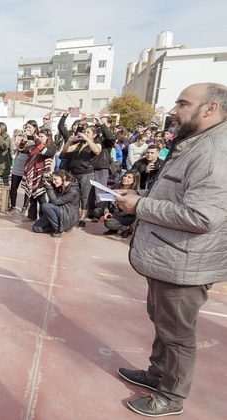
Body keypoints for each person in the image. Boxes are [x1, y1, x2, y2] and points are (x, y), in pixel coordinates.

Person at [114, 83, 227, 418]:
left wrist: (141, 206)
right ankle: (157, 374)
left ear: (210, 108)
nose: (173, 110)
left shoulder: (215, 154)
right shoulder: (198, 143)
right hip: (168, 257)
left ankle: (171, 396)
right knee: (162, 322)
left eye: (183, 103)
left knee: (177, 334)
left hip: (184, 264)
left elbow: (201, 216)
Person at [59, 122, 102, 227]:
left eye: (88, 132)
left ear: (94, 135)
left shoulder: (97, 144)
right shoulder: (79, 144)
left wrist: (87, 139)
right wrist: (69, 141)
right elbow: (65, 150)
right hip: (74, 173)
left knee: (84, 196)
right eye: (85, 132)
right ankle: (74, 215)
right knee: (73, 194)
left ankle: (82, 217)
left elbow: (96, 151)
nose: (85, 133)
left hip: (86, 174)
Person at [21, 127, 56, 220]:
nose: (40, 138)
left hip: (44, 174)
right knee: (32, 195)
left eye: (42, 136)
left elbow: (46, 153)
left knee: (41, 197)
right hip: (33, 173)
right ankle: (31, 216)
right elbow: (22, 150)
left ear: (48, 137)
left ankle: (43, 217)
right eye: (39, 136)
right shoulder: (34, 146)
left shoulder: (52, 147)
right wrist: (24, 141)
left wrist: (36, 140)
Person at [31, 170, 80, 237]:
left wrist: (49, 188)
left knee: (46, 206)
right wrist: (45, 176)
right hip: (59, 212)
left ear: (64, 178)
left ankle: (58, 229)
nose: (54, 182)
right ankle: (60, 227)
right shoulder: (59, 185)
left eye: (55, 179)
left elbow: (56, 202)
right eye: (53, 179)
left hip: (68, 216)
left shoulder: (73, 191)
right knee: (36, 228)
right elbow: (40, 186)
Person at [102, 170, 139, 238]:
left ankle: (127, 229)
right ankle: (114, 229)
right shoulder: (115, 187)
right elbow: (107, 203)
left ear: (134, 181)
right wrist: (106, 212)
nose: (125, 178)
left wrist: (113, 215)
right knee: (97, 211)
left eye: (129, 177)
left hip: (127, 216)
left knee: (109, 223)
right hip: (114, 212)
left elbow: (130, 212)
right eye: (125, 176)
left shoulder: (134, 193)